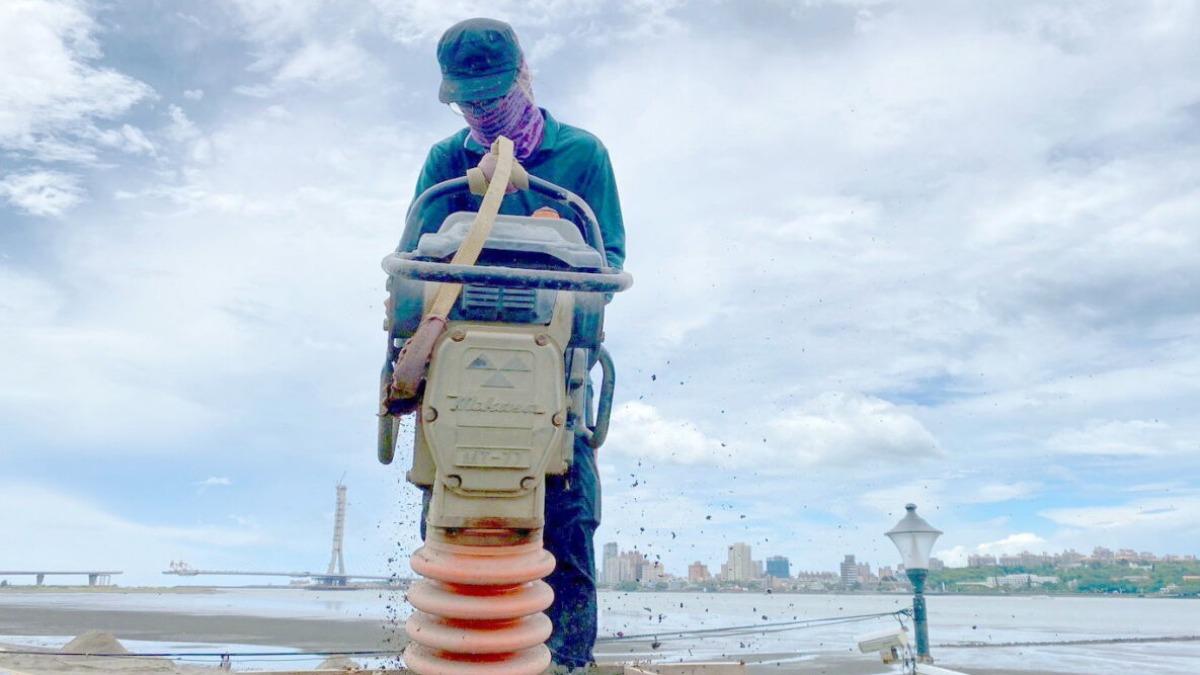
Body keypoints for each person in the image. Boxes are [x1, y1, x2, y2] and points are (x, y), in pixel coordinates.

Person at [408, 17, 626, 669]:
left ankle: (569, 661)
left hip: (553, 378)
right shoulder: (446, 163)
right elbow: (413, 266)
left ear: (524, 76)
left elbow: (611, 261)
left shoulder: (580, 155)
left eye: (494, 97)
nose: (482, 111)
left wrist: (554, 246)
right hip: (458, 378)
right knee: (455, 524)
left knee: (566, 526)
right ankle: (459, 650)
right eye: (468, 101)